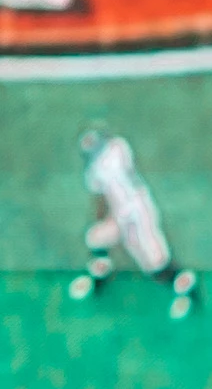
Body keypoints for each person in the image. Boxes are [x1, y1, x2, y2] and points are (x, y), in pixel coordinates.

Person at [70, 129, 193, 309]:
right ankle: (101, 272)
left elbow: (103, 197)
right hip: (122, 214)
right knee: (96, 237)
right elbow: (102, 198)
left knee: (154, 262)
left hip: (139, 212)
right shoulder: (109, 154)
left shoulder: (109, 156)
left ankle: (188, 291)